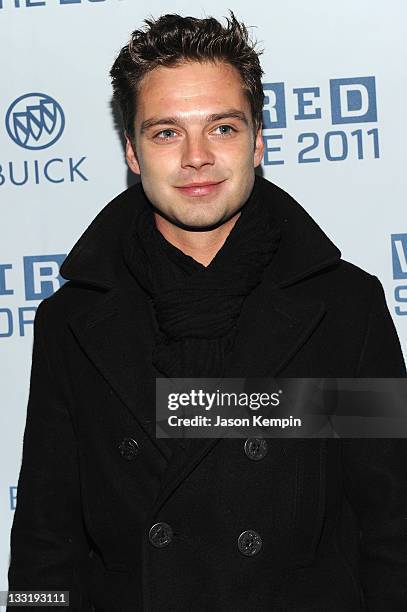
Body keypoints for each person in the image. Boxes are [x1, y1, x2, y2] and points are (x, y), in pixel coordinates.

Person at [7, 11, 407, 612]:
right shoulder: (74, 320)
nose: (196, 157)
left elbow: (393, 525)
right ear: (132, 152)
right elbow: (45, 535)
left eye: (221, 127)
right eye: (166, 132)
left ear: (259, 140)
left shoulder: (342, 307)